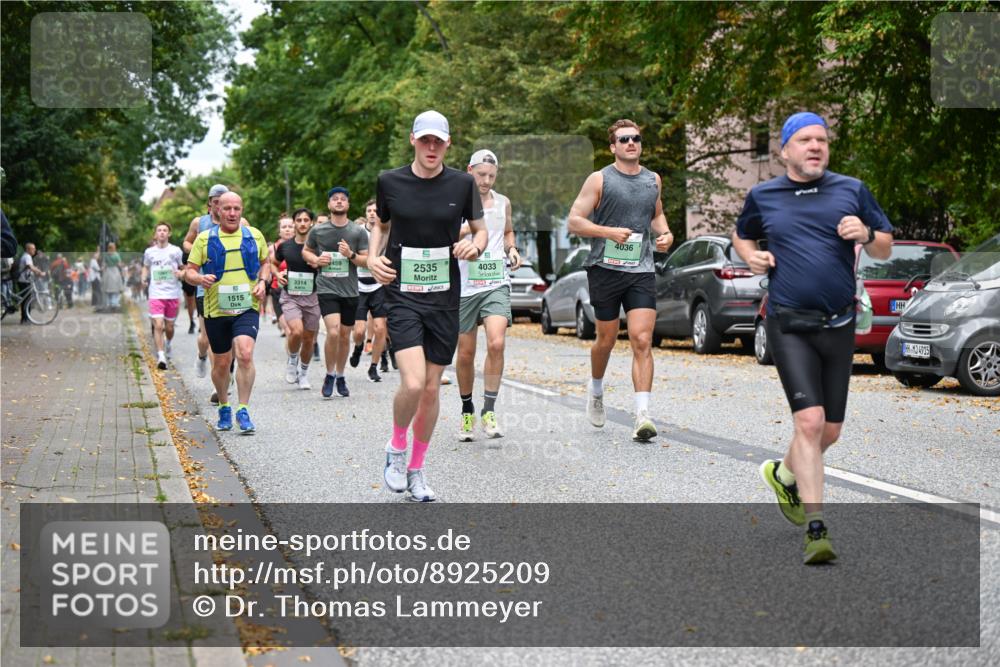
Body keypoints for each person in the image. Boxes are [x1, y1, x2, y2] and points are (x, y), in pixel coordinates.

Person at [732, 112, 893, 565]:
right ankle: (816, 530)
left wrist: (866, 234)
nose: (815, 146)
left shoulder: (851, 189)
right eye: (804, 140)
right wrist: (753, 257)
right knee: (810, 422)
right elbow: (742, 236)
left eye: (821, 139)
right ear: (785, 150)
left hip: (839, 323)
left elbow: (885, 244)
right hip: (789, 323)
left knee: (831, 431)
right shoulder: (764, 196)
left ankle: (784, 475)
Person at [368, 110, 486, 502]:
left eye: (439, 141)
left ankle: (417, 470)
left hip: (444, 298)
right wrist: (372, 257)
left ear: (448, 143)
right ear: (413, 140)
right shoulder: (390, 181)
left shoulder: (463, 183)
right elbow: (380, 225)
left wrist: (476, 244)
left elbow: (481, 230)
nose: (431, 147)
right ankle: (396, 449)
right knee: (414, 382)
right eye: (425, 140)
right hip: (401, 293)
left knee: (433, 390)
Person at [567, 119, 673, 441]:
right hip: (605, 268)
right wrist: (607, 232)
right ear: (613, 146)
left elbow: (656, 215)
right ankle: (596, 389)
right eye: (624, 139)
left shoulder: (652, 180)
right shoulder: (599, 179)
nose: (631, 143)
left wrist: (665, 233)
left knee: (642, 339)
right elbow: (574, 221)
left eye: (636, 138)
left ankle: (642, 414)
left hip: (640, 269)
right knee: (607, 340)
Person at [185, 191, 271, 434]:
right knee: (222, 363)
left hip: (247, 306)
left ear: (241, 210)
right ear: (217, 211)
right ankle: (224, 404)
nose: (232, 213)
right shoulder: (204, 239)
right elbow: (189, 271)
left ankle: (242, 409)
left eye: (237, 208)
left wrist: (263, 282)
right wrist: (200, 278)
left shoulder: (254, 236)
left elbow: (266, 263)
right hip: (216, 309)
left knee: (244, 354)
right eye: (227, 208)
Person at [455, 149, 522, 441]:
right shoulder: (454, 201)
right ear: (470, 170)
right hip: (464, 287)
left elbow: (508, 232)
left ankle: (489, 410)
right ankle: (467, 409)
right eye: (481, 175)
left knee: (496, 343)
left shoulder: (503, 202)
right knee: (466, 353)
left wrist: (512, 249)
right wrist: (464, 232)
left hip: (496, 281)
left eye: (491, 176)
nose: (485, 181)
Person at [302, 187, 369, 399]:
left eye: (343, 199)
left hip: (349, 290)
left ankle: (340, 375)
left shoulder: (357, 232)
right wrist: (315, 260)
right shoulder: (318, 230)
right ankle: (329, 374)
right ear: (329, 205)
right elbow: (306, 251)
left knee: (344, 335)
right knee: (332, 331)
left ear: (348, 205)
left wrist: (350, 254)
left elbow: (366, 260)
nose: (339, 202)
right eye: (335, 199)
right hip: (326, 287)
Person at [273, 208, 320, 390]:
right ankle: (293, 360)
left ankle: (304, 374)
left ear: (311, 223)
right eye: (298, 220)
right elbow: (273, 263)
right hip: (291, 295)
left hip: (313, 296)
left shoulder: (317, 246)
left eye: (305, 220)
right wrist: (278, 275)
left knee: (309, 339)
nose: (302, 223)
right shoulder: (285, 246)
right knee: (297, 331)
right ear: (294, 224)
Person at [349, 200, 390, 382]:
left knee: (380, 328)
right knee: (359, 331)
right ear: (365, 213)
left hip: (379, 285)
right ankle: (358, 347)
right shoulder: (357, 233)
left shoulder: (387, 232)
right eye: (369, 211)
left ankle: (374, 367)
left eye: (376, 210)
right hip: (359, 286)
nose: (373, 213)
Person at [142, 222, 185, 369]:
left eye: (164, 230)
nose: (161, 232)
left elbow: (182, 267)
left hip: (172, 293)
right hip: (156, 293)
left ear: (169, 234)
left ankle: (168, 343)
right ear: (155, 234)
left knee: (170, 327)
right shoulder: (149, 252)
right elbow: (146, 267)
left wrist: (181, 273)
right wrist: (143, 278)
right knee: (158, 325)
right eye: (159, 230)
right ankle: (161, 356)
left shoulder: (176, 251)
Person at [267, 214, 295, 337]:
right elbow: (268, 267)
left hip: (297, 291)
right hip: (278, 290)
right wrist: (277, 274)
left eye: (290, 226)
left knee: (296, 331)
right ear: (279, 231)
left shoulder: (303, 246)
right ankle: (293, 357)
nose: (287, 229)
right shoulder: (273, 249)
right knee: (289, 330)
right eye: (284, 227)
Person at [17, 242, 45, 323]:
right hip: (24, 280)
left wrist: (35, 270)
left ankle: (25, 318)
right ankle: (25, 319)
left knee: (26, 300)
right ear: (28, 249)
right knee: (26, 300)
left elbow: (30, 267)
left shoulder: (26, 256)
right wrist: (39, 272)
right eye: (33, 249)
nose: (35, 250)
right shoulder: (27, 256)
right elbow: (30, 266)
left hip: (24, 280)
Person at [102, 242, 124, 310]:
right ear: (114, 247)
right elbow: (119, 264)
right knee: (115, 288)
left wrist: (102, 270)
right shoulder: (116, 255)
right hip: (115, 271)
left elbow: (104, 265)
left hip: (108, 272)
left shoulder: (106, 255)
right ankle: (114, 303)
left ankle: (108, 303)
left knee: (108, 288)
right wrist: (122, 265)